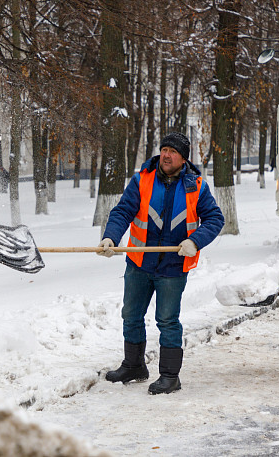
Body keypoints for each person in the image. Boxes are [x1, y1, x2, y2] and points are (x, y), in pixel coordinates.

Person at [97, 132, 224, 395]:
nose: (166, 155)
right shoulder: (142, 180)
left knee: (167, 320)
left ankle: (170, 376)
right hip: (139, 262)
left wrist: (195, 241)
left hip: (173, 268)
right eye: (164, 149)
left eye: (173, 152)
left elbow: (214, 219)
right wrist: (110, 237)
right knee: (131, 316)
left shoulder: (196, 186)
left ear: (183, 158)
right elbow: (123, 211)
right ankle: (134, 365)